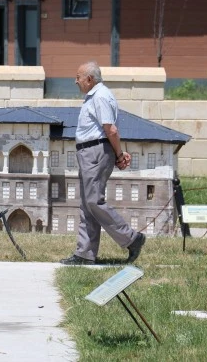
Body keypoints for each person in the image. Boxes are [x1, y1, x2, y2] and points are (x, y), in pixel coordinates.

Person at [60, 61, 145, 265]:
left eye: (78, 77)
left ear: (89, 79)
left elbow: (111, 130)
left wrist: (119, 154)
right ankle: (84, 253)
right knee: (88, 204)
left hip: (96, 151)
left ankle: (131, 238)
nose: (76, 81)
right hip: (89, 152)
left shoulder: (101, 96)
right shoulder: (94, 96)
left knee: (93, 201)